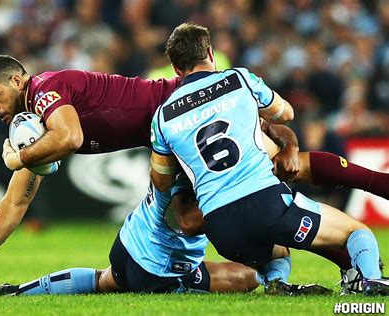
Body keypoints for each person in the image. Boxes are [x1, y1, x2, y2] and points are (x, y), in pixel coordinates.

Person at [0, 54, 387, 288]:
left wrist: (15, 158)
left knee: (287, 164)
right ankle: (291, 277)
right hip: (175, 131)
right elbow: (16, 200)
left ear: (18, 80)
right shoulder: (38, 123)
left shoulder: (46, 89)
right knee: (275, 169)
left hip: (179, 108)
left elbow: (71, 139)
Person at [149, 23, 388, 296]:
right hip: (265, 202)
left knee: (278, 250)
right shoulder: (238, 79)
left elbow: (161, 179)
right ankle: (369, 281)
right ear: (211, 54)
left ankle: (276, 283)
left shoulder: (162, 116)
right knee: (356, 232)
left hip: (220, 228)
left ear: (177, 70)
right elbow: (285, 114)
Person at [0, 175, 330, 296]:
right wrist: (238, 217)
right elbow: (190, 221)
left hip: (128, 247)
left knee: (106, 281)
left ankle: (20, 291)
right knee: (253, 272)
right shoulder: (195, 170)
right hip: (161, 267)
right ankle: (276, 285)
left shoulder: (170, 150)